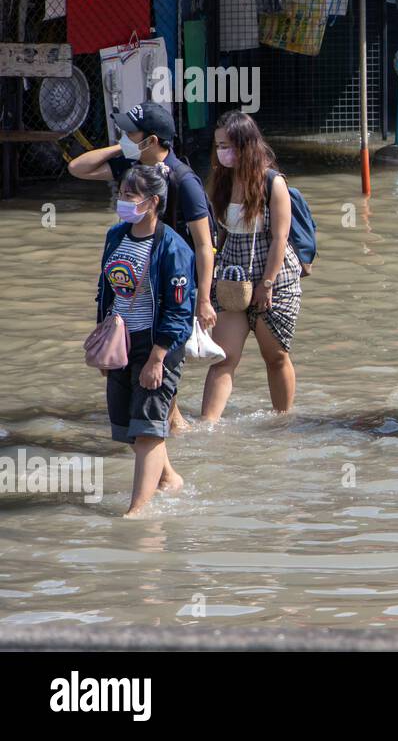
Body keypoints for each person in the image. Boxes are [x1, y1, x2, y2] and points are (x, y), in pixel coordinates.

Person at [69, 103, 215, 432]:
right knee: (157, 389)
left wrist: (204, 298)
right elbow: (77, 167)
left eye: (131, 133)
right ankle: (175, 436)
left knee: (160, 371)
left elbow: (205, 244)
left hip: (173, 285)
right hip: (137, 282)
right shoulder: (133, 169)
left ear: (151, 140)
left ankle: (168, 441)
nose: (125, 136)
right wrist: (123, 146)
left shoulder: (184, 180)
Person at [95, 164, 194, 516]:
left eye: (129, 196)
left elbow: (180, 311)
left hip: (157, 346)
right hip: (121, 342)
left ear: (152, 202)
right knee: (131, 429)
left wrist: (158, 357)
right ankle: (168, 479)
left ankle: (135, 511)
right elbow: (105, 291)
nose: (122, 201)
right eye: (121, 194)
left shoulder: (173, 248)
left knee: (150, 429)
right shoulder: (116, 236)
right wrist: (104, 344)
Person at [200, 111, 303, 422]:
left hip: (276, 277)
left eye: (228, 145)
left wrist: (267, 284)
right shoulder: (221, 181)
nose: (222, 153)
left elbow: (280, 238)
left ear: (247, 145)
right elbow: (218, 235)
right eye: (218, 146)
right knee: (223, 357)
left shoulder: (274, 183)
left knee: (275, 356)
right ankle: (207, 427)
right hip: (233, 277)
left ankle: (283, 421)